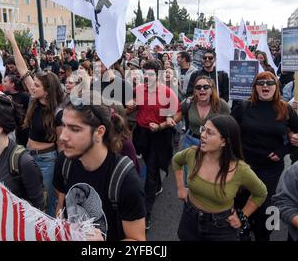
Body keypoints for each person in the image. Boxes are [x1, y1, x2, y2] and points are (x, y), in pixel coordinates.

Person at [53, 95, 146, 241]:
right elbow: (61, 204)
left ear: (99, 132)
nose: (63, 136)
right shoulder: (64, 162)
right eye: (64, 125)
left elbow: (138, 240)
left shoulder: (125, 179)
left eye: (75, 129)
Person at [231, 71, 298, 241]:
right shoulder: (243, 107)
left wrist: (284, 151)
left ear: (276, 87)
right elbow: (230, 133)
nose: (265, 86)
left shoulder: (285, 108)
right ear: (255, 87)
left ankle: (264, 235)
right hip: (244, 166)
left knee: (265, 208)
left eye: (270, 83)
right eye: (261, 82)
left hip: (270, 169)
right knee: (241, 203)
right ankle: (243, 233)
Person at [173, 115, 268, 241]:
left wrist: (242, 216)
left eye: (210, 133)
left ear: (224, 141)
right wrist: (180, 188)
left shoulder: (240, 169)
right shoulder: (192, 154)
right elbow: (176, 160)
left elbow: (261, 193)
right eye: (203, 129)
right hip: (190, 219)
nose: (202, 135)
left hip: (221, 227)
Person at [6, 30, 64, 217]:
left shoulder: (58, 113)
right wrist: (13, 41)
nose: (32, 87)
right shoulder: (35, 100)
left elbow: (62, 145)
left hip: (47, 161)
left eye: (37, 86)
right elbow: (23, 70)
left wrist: (62, 173)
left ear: (47, 91)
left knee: (46, 201)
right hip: (29, 156)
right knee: (30, 199)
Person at [130, 60, 180, 230]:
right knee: (149, 164)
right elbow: (133, 107)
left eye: (150, 74)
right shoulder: (138, 89)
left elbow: (176, 112)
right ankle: (157, 183)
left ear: (157, 75)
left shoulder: (166, 92)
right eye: (145, 73)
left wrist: (165, 122)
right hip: (142, 134)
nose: (147, 76)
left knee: (151, 171)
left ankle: (146, 213)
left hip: (159, 134)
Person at [172, 76, 230, 150]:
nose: (202, 89)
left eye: (206, 87)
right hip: (190, 143)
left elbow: (229, 125)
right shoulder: (188, 102)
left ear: (212, 90)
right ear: (195, 91)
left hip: (212, 144)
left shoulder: (221, 104)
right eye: (198, 87)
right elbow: (176, 116)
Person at [3, 74, 30, 146]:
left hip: (21, 130)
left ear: (12, 84)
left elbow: (29, 112)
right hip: (9, 128)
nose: (3, 83)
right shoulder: (4, 95)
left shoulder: (24, 96)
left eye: (5, 81)